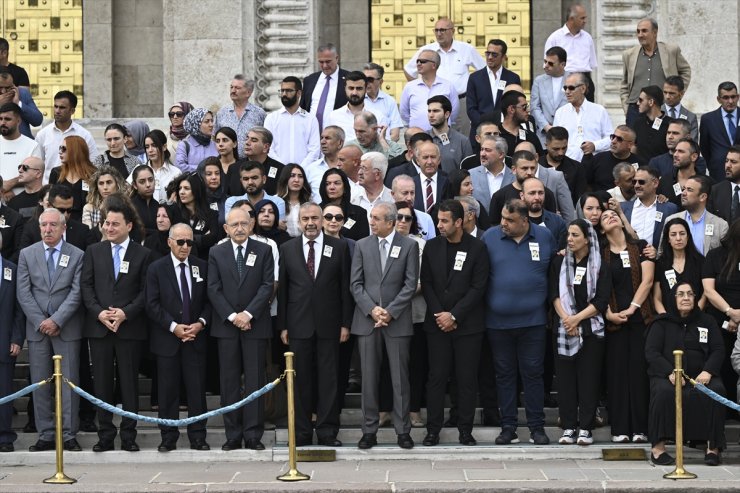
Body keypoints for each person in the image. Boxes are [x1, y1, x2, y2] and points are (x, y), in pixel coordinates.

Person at [481, 199, 556, 445]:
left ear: (525, 220)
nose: (504, 223)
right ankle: (508, 426)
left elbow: (554, 272)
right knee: (504, 375)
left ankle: (537, 427)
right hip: (498, 323)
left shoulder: (544, 237)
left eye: (510, 220)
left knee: (533, 374)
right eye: (502, 217)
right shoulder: (490, 237)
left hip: (533, 322)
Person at [277, 202, 352, 447]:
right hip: (298, 326)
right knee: (300, 381)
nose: (310, 223)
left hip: (330, 325)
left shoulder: (339, 247)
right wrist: (284, 326)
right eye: (305, 218)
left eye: (315, 218)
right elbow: (284, 292)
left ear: (322, 220)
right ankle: (301, 432)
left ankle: (328, 431)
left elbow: (344, 288)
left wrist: (345, 324)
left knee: (329, 380)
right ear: (299, 222)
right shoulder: (287, 249)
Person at [81, 199, 152, 453]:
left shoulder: (142, 254)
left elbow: (146, 292)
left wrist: (125, 313)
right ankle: (105, 435)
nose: (109, 228)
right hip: (99, 329)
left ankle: (129, 435)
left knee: (129, 383)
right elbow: (86, 287)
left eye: (115, 224)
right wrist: (100, 313)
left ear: (129, 226)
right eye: (106, 223)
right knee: (101, 383)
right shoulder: (93, 251)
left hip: (129, 328)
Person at [351, 201, 419, 450]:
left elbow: (410, 285)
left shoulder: (409, 246)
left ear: (390, 222)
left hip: (397, 322)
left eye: (377, 218)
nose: (371, 222)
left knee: (400, 378)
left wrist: (390, 312)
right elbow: (355, 284)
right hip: (368, 321)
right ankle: (369, 430)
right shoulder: (361, 245)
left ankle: (403, 431)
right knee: (368, 378)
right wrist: (372, 309)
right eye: (371, 217)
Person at [420, 200, 488, 446]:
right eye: (438, 220)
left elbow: (478, 286)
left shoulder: (478, 248)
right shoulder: (431, 246)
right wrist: (441, 314)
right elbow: (426, 283)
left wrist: (455, 315)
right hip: (437, 325)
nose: (439, 225)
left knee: (466, 379)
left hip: (468, 326)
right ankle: (433, 430)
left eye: (444, 221)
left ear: (459, 222)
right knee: (437, 377)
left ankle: (465, 429)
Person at [17, 207, 85, 452]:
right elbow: (23, 293)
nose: (47, 229)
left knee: (69, 382)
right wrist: (41, 321)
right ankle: (45, 433)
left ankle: (68, 434)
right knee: (40, 383)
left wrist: (57, 320)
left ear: (63, 227)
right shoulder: (27, 254)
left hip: (66, 328)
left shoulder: (77, 255)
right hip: (37, 330)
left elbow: (77, 292)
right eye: (43, 225)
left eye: (53, 225)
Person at [208, 207, 274, 451]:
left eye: (243, 224)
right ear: (226, 228)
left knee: (256, 379)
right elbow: (213, 289)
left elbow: (268, 285)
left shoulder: (264, 250)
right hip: (226, 327)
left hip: (254, 325)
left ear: (252, 224)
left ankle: (253, 434)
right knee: (229, 381)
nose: (239, 228)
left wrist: (248, 314)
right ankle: (233, 434)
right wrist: (233, 316)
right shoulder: (216, 252)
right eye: (234, 224)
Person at [145, 223, 211, 452]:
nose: (185, 247)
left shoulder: (202, 267)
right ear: (169, 242)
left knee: (196, 391)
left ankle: (198, 437)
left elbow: (209, 302)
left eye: (189, 242)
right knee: (167, 391)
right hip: (167, 340)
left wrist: (200, 324)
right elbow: (151, 304)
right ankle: (168, 437)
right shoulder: (156, 268)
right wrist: (173, 327)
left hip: (195, 339)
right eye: (180, 242)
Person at [645, 281, 725, 466]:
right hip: (669, 376)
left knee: (717, 390)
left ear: (695, 298)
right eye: (681, 294)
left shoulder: (707, 321)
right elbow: (652, 352)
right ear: (673, 298)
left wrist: (708, 371)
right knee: (663, 393)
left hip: (701, 376)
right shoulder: (662, 322)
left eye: (690, 294)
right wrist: (670, 372)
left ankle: (712, 448)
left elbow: (718, 349)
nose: (686, 298)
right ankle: (658, 449)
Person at [550, 219, 610, 445]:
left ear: (587, 239)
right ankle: (568, 427)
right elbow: (553, 295)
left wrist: (576, 319)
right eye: (569, 235)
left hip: (590, 329)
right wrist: (567, 319)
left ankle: (585, 427)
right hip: (564, 328)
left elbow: (601, 299)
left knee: (589, 380)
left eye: (575, 235)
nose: (570, 239)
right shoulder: (559, 263)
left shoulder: (599, 265)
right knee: (565, 381)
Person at [599, 208, 654, 443]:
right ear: (601, 229)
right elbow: (595, 286)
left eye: (614, 214)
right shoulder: (600, 253)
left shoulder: (640, 247)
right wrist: (609, 313)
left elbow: (648, 280)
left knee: (639, 372)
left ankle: (640, 428)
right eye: (605, 217)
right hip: (613, 321)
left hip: (639, 317)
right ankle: (620, 428)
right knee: (617, 373)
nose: (610, 217)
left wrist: (632, 308)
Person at [619, 18, 691, 126]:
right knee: (634, 142)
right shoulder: (629, 54)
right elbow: (624, 84)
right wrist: (626, 107)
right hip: (636, 109)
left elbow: (685, 70)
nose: (640, 35)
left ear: (655, 32)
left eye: (644, 31)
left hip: (661, 108)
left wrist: (678, 93)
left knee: (661, 140)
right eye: (638, 31)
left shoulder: (671, 50)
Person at [393, 202, 427, 428]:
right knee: (388, 365)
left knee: (416, 363)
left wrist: (397, 298)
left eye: (408, 218)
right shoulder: (378, 242)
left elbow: (422, 280)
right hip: (387, 315)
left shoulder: (421, 244)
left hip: (415, 313)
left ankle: (414, 409)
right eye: (399, 217)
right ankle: (386, 410)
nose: (403, 222)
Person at [702, 220, 740, 409]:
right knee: (721, 361)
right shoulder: (715, 255)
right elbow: (708, 290)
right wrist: (730, 312)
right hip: (718, 320)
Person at [35, 90, 98, 184]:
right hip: (50, 187)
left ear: (72, 111)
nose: (57, 111)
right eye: (55, 106)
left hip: (77, 187)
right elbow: (37, 165)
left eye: (62, 107)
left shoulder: (84, 134)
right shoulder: (43, 134)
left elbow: (94, 162)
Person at [466, 39, 521, 144]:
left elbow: (515, 107)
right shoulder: (475, 78)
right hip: (480, 133)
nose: (490, 57)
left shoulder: (512, 78)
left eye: (494, 55)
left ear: (504, 57)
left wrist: (502, 127)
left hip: (504, 133)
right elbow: (471, 108)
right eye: (488, 53)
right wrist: (486, 128)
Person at [662, 174, 727, 255]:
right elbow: (662, 253)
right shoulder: (670, 220)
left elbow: (725, 258)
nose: (683, 193)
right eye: (684, 189)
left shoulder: (720, 225)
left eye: (689, 190)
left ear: (702, 197)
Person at [265, 76, 321, 169]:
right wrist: (283, 168)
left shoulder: (310, 119)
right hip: (278, 171)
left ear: (299, 93)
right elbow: (268, 148)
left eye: (288, 91)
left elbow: (314, 150)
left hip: (304, 173)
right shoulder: (271, 118)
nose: (284, 94)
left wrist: (299, 170)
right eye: (282, 91)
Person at [553, 73, 611, 162]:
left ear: (583, 89)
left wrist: (595, 146)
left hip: (595, 162)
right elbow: (555, 140)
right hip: (569, 164)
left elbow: (610, 139)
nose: (567, 91)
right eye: (565, 88)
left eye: (571, 88)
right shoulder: (560, 113)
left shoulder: (599, 111)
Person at [544, 4, 597, 100]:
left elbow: (592, 63)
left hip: (585, 81)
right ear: (572, 19)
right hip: (564, 81)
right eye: (582, 18)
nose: (585, 21)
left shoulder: (587, 38)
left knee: (587, 112)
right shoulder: (555, 38)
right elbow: (548, 66)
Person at [653, 218, 705, 314]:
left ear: (688, 236)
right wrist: (665, 317)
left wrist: (696, 314)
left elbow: (705, 294)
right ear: (668, 239)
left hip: (696, 317)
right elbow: (657, 298)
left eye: (682, 233)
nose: (678, 238)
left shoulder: (700, 262)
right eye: (673, 234)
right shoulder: (661, 264)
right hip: (668, 318)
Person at [0, 234, 23, 452]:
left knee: (5, 392)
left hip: (5, 341)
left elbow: (19, 309)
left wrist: (17, 338)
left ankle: (5, 437)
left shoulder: (11, 270)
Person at [400, 50, 458, 129]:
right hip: (417, 136)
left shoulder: (448, 86)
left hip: (442, 135)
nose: (418, 64)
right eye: (417, 61)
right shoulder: (409, 87)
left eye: (423, 61)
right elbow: (404, 113)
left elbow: (453, 113)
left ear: (433, 65)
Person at [620, 166, 677, 246]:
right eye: (634, 182)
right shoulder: (622, 208)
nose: (636, 185)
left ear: (655, 183)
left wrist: (656, 254)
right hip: (630, 257)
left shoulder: (669, 209)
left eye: (641, 182)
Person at [300, 44, 350, 132]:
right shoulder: (310, 80)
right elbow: (303, 108)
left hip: (338, 136)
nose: (325, 66)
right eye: (321, 62)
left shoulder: (348, 79)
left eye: (328, 61)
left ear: (337, 58)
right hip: (311, 136)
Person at [171, 172, 221, 259]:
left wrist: (184, 239)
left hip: (203, 261)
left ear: (196, 190)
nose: (181, 192)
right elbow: (171, 239)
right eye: (180, 188)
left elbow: (213, 237)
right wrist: (201, 238)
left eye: (186, 188)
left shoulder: (211, 214)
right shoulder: (173, 212)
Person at [213, 74, 266, 158]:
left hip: (250, 164)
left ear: (248, 92)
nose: (233, 91)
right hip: (227, 164)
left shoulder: (259, 113)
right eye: (231, 87)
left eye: (237, 88)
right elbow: (214, 138)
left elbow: (265, 140)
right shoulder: (222, 112)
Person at [49, 135, 96, 222]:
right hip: (60, 220)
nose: (60, 152)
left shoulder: (93, 174)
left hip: (86, 222)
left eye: (63, 149)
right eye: (60, 148)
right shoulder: (56, 172)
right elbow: (51, 200)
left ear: (75, 151)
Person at [0, 102, 42, 199]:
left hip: (24, 202)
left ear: (18, 121)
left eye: (7, 119)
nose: (3, 123)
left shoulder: (32, 146)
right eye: (0, 119)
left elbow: (35, 175)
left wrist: (11, 184)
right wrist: (2, 187)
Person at [700, 81, 739, 182]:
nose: (730, 101)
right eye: (726, 97)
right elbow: (704, 147)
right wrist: (713, 165)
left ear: (738, 97)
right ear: (718, 99)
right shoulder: (708, 119)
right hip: (718, 173)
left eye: (733, 97)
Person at [531, 47, 570, 146]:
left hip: (568, 134)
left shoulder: (573, 79)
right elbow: (535, 107)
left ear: (563, 64)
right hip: (544, 135)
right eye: (545, 62)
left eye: (551, 63)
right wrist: (546, 127)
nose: (546, 66)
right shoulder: (539, 81)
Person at [319, 168, 370, 241]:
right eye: (327, 184)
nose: (332, 187)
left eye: (337, 183)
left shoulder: (359, 213)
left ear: (345, 187)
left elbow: (363, 245)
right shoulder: (316, 211)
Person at [426, 95, 472, 174]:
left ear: (447, 114)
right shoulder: (423, 139)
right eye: (429, 111)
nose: (431, 115)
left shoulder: (462, 141)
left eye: (435, 111)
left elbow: (469, 171)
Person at [469, 135, 514, 214]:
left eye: (487, 150)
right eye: (482, 149)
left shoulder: (514, 177)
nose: (482, 154)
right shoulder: (470, 175)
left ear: (501, 155)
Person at [541, 127, 585, 205]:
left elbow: (580, 198)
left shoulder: (576, 168)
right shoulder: (537, 165)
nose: (561, 153)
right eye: (556, 149)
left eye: (564, 148)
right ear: (546, 145)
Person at [363, 62, 404, 142]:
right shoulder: (357, 100)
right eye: (364, 79)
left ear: (381, 82)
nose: (366, 82)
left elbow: (395, 134)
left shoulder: (389, 101)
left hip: (385, 149)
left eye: (370, 79)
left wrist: (381, 146)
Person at [326, 71, 371, 142]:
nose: (354, 93)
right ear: (345, 89)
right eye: (351, 88)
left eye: (359, 88)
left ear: (366, 89)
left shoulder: (378, 115)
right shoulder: (334, 116)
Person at [498, 91, 543, 158]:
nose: (528, 110)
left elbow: (541, 162)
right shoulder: (495, 135)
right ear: (512, 109)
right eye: (524, 107)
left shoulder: (531, 136)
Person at [82, 166, 128, 231]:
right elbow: (88, 236)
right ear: (97, 187)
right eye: (101, 183)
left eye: (109, 182)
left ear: (117, 184)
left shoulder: (127, 206)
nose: (105, 187)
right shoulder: (89, 209)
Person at [140, 129, 181, 204]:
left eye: (154, 145)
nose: (150, 150)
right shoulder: (139, 170)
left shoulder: (176, 173)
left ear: (164, 147)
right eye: (147, 147)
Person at [305, 125, 345, 201]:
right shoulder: (311, 169)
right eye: (321, 138)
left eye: (327, 138)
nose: (322, 142)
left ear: (340, 143)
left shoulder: (348, 167)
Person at [242, 126, 285, 196]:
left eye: (254, 140)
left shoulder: (281, 170)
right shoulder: (234, 168)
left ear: (266, 147)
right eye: (247, 138)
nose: (247, 142)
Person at [630, 85, 669, 162]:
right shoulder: (638, 123)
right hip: (641, 171)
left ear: (651, 102)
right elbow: (634, 148)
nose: (637, 103)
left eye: (641, 100)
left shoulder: (670, 124)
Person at [0, 70, 41, 140]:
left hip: (23, 143)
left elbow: (37, 120)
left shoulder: (22, 93)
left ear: (13, 85)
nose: (3, 91)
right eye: (0, 87)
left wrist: (18, 103)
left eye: (7, 88)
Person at [175, 108, 217, 173]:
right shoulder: (184, 145)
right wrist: (204, 170)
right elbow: (180, 167)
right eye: (207, 121)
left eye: (212, 121)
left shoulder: (216, 145)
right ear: (196, 124)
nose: (211, 124)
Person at [277, 164, 312, 237]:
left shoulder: (310, 202)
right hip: (281, 241)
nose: (296, 180)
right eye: (292, 176)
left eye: (300, 176)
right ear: (285, 178)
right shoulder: (275, 201)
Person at [708, 145, 740, 225]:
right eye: (726, 161)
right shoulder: (716, 190)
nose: (728, 165)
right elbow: (710, 223)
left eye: (733, 162)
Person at [662, 76, 698, 141]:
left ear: (681, 94)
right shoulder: (657, 113)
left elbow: (693, 144)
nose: (667, 96)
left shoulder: (691, 117)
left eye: (671, 93)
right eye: (665, 92)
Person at [129, 165, 159, 236]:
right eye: (142, 182)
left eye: (151, 180)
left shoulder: (158, 205)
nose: (148, 185)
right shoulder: (129, 206)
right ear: (135, 185)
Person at [198, 157, 227, 226]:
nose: (214, 177)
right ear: (201, 176)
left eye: (217, 173)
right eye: (209, 174)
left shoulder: (228, 200)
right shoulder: (195, 200)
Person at [213, 127, 239, 191]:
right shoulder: (211, 165)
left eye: (225, 140)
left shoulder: (242, 166)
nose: (220, 144)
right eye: (217, 141)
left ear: (235, 144)